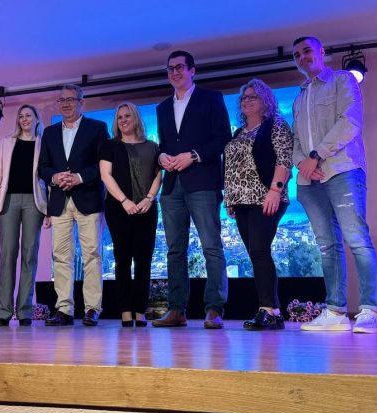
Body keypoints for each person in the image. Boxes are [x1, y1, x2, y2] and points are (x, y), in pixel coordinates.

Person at [291, 36, 377, 333]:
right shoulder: (299, 97)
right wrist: (303, 163)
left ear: (321, 52)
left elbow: (350, 122)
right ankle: (335, 311)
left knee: (357, 239)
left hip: (342, 170)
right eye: (296, 54)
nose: (302, 57)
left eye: (307, 50)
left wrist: (316, 156)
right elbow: (295, 141)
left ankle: (369, 311)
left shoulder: (343, 80)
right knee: (327, 246)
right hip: (309, 180)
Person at [153, 50, 232, 329]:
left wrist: (194, 156)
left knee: (211, 246)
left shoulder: (212, 98)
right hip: (171, 186)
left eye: (180, 67)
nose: (175, 72)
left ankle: (214, 309)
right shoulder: (162, 108)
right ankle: (177, 310)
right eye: (170, 68)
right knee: (175, 250)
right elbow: (164, 145)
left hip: (203, 183)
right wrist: (161, 156)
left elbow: (223, 138)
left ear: (192, 70)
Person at [224, 79, 293, 330]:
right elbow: (232, 168)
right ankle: (273, 312)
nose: (247, 101)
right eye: (244, 97)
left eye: (252, 96)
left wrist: (275, 191)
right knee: (256, 253)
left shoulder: (275, 124)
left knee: (259, 250)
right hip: (241, 201)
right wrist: (230, 198)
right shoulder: (238, 133)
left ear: (265, 100)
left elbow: (284, 159)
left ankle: (268, 309)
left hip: (266, 198)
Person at [38, 84, 109, 326]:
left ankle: (92, 308)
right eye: (62, 100)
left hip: (88, 198)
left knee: (92, 255)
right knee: (61, 256)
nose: (66, 104)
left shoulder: (97, 128)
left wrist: (79, 177)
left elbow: (102, 165)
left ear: (81, 102)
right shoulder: (49, 132)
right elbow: (43, 167)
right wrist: (55, 177)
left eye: (71, 99)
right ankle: (64, 309)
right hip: (59, 201)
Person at [0, 105, 49, 326]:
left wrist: (50, 209)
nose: (24, 119)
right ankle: (3, 311)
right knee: (8, 254)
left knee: (30, 255)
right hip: (9, 202)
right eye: (21, 116)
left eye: (28, 115)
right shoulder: (6, 142)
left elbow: (48, 178)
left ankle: (24, 311)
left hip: (34, 202)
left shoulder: (43, 143)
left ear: (36, 119)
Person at [99, 102, 161, 327]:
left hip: (147, 208)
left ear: (136, 118)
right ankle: (125, 310)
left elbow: (158, 175)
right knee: (122, 259)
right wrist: (124, 201)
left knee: (144, 260)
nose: (123, 120)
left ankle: (140, 310)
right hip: (118, 208)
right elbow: (106, 176)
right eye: (119, 117)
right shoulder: (110, 145)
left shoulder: (152, 146)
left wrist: (149, 199)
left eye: (127, 116)